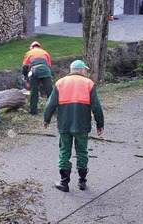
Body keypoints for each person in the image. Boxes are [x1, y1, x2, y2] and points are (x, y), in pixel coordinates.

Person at [43, 60, 104, 192]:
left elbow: (50, 104)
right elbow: (96, 107)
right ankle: (82, 181)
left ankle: (64, 183)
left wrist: (46, 119)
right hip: (82, 125)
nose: (85, 72)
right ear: (81, 70)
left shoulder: (60, 83)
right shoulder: (89, 83)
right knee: (82, 152)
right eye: (85, 70)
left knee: (64, 151)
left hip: (64, 124)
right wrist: (100, 124)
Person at [22, 41, 53, 115]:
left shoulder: (29, 53)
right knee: (50, 91)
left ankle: (33, 110)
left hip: (35, 71)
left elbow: (24, 66)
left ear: (31, 47)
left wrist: (25, 75)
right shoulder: (45, 52)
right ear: (39, 47)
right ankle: (54, 109)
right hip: (46, 71)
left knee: (34, 91)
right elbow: (49, 65)